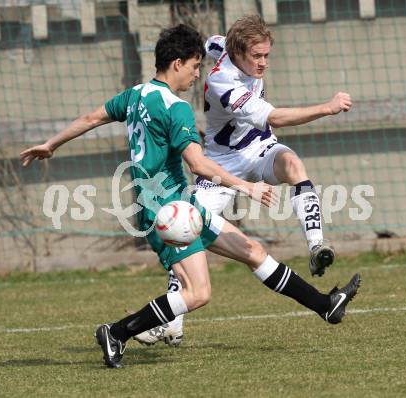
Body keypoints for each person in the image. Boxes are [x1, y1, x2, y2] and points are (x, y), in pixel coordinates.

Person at [20, 24, 361, 369]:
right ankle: (118, 332)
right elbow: (198, 163)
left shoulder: (136, 94)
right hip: (166, 213)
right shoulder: (177, 108)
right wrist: (245, 186)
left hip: (180, 206)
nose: (199, 75)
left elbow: (91, 117)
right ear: (178, 63)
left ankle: (325, 305)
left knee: (254, 252)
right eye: (196, 66)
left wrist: (51, 144)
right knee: (197, 293)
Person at [136, 15, 354, 346]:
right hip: (222, 162)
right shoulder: (224, 81)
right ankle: (170, 320)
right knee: (184, 230)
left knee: (293, 164)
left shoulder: (223, 45)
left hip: (259, 147)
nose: (263, 62)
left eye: (267, 55)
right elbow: (275, 116)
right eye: (257, 56)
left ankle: (316, 246)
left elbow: (210, 41)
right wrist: (328, 107)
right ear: (239, 53)